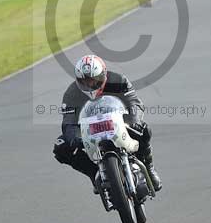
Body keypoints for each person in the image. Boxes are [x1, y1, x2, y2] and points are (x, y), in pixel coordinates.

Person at [53, 55, 162, 193]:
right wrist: (75, 138)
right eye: (85, 81)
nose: (90, 85)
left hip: (119, 122)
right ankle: (94, 174)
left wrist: (134, 121)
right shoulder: (71, 93)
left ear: (103, 75)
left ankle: (149, 167)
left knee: (144, 130)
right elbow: (68, 122)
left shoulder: (118, 81)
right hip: (89, 130)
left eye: (94, 80)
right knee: (61, 147)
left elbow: (134, 103)